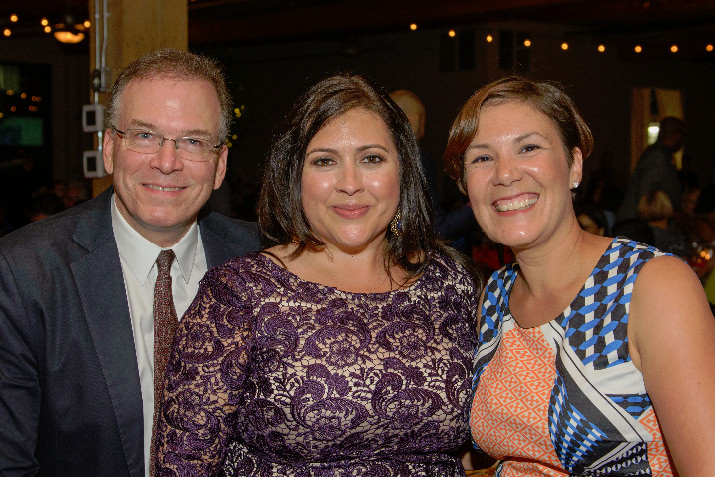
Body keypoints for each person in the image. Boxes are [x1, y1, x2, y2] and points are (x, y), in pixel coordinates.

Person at [153, 73, 482, 475]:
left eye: (371, 158)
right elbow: (184, 463)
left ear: (404, 169)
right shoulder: (241, 294)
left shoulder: (451, 280)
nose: (350, 184)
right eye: (325, 161)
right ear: (295, 176)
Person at [0, 48, 262, 477]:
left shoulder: (267, 263)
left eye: (193, 141)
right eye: (144, 136)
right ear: (108, 149)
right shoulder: (25, 274)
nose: (166, 161)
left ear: (220, 166)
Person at [443, 76, 715, 476]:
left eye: (529, 147)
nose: (505, 174)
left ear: (574, 165)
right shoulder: (495, 296)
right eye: (482, 158)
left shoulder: (650, 285)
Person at [389, 89, 476, 248]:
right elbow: (436, 230)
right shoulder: (417, 159)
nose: (424, 129)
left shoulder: (380, 160)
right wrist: (475, 207)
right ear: (414, 120)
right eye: (423, 121)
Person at [618, 116, 687, 220]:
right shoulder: (658, 156)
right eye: (683, 135)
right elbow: (644, 195)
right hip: (648, 223)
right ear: (674, 134)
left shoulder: (661, 154)